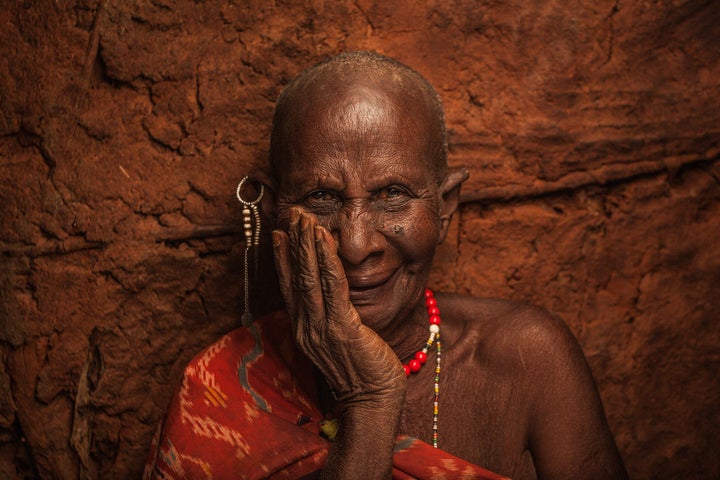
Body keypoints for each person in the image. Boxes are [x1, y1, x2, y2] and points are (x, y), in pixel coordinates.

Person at [144, 51, 628, 480]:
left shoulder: (526, 357)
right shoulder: (224, 390)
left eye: (392, 195)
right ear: (273, 213)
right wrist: (369, 401)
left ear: (445, 207)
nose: (355, 246)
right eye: (320, 198)